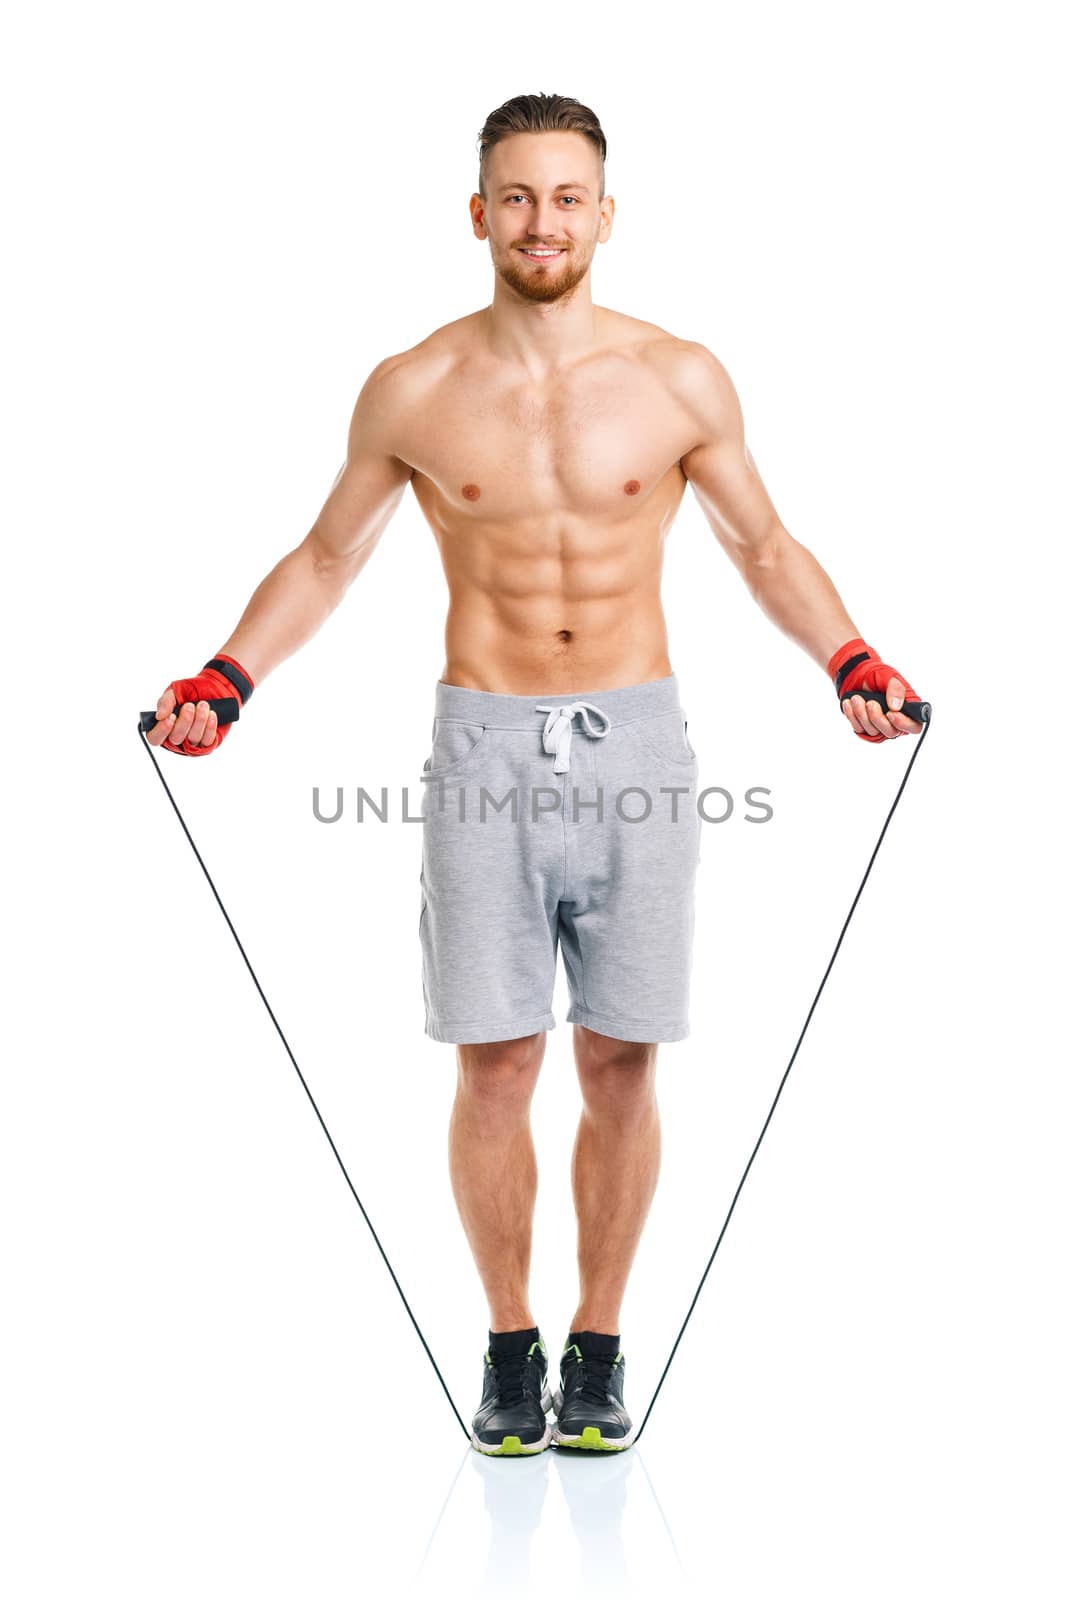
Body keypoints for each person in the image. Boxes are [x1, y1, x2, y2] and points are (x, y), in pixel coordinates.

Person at [145, 92, 922, 1456]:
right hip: (484, 743)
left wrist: (849, 659)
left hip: (639, 737)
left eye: (566, 198)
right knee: (496, 1061)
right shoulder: (414, 387)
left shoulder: (678, 377)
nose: (541, 221)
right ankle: (511, 1347)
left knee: (621, 1058)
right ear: (477, 213)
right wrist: (226, 680)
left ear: (604, 216)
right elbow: (327, 559)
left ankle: (601, 1342)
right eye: (515, 197)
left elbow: (762, 548)